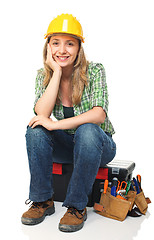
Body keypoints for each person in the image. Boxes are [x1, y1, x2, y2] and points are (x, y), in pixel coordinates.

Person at [21, 13, 116, 232]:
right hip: (68, 147)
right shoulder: (42, 75)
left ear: (79, 48)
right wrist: (56, 73)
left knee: (88, 130)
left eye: (69, 44)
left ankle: (76, 207)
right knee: (35, 130)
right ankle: (42, 200)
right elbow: (41, 113)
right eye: (56, 43)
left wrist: (55, 125)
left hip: (99, 146)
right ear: (48, 47)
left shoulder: (94, 70)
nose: (62, 50)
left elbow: (98, 115)